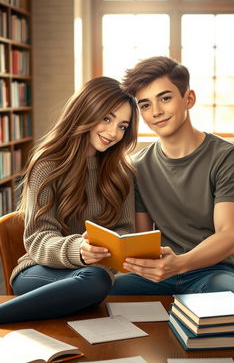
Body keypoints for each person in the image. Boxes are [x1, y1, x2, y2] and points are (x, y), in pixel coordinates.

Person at [110, 56, 234, 299]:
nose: (156, 112)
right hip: (161, 272)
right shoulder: (138, 167)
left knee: (224, 308)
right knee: (102, 297)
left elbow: (227, 236)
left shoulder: (228, 156)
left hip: (217, 270)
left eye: (165, 98)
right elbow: (144, 240)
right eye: (145, 105)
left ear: (189, 99)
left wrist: (180, 263)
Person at [0, 76, 138, 323]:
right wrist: (80, 250)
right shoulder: (47, 165)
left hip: (93, 275)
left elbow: (124, 230)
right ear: (86, 110)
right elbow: (37, 240)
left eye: (123, 126)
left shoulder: (122, 173)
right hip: (40, 270)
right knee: (96, 282)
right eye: (107, 118)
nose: (113, 132)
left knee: (100, 283)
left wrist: (112, 250)